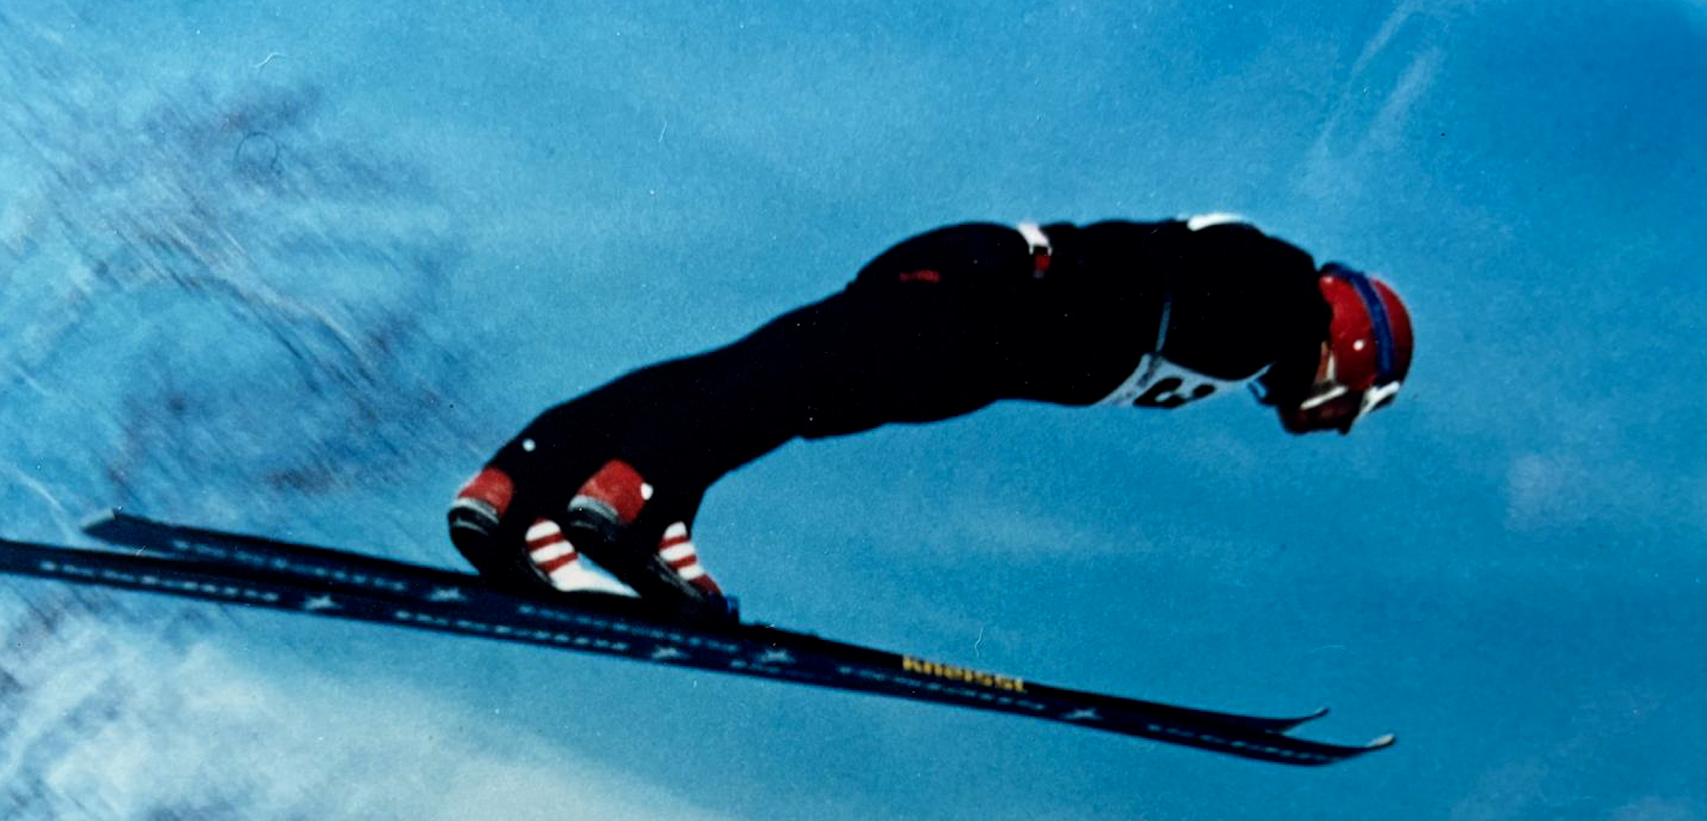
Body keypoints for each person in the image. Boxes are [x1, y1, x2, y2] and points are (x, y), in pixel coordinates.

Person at [447, 216, 1414, 616]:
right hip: (992, 300)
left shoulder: (1251, 313)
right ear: (1356, 347)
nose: (1319, 412)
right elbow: (1173, 269)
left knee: (771, 379)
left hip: (984, 311)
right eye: (1345, 401)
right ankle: (628, 497)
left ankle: (519, 486)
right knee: (783, 380)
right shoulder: (1279, 296)